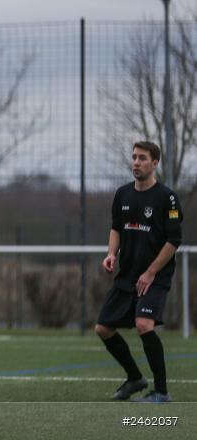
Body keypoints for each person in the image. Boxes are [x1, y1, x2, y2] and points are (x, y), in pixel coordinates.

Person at [95, 141, 183, 403]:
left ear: (154, 163)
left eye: (142, 158)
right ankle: (135, 378)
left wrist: (151, 272)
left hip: (155, 276)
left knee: (144, 324)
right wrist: (112, 253)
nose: (136, 162)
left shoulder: (167, 198)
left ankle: (162, 392)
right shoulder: (122, 194)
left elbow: (173, 240)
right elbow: (116, 228)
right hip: (128, 275)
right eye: (134, 157)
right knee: (103, 328)